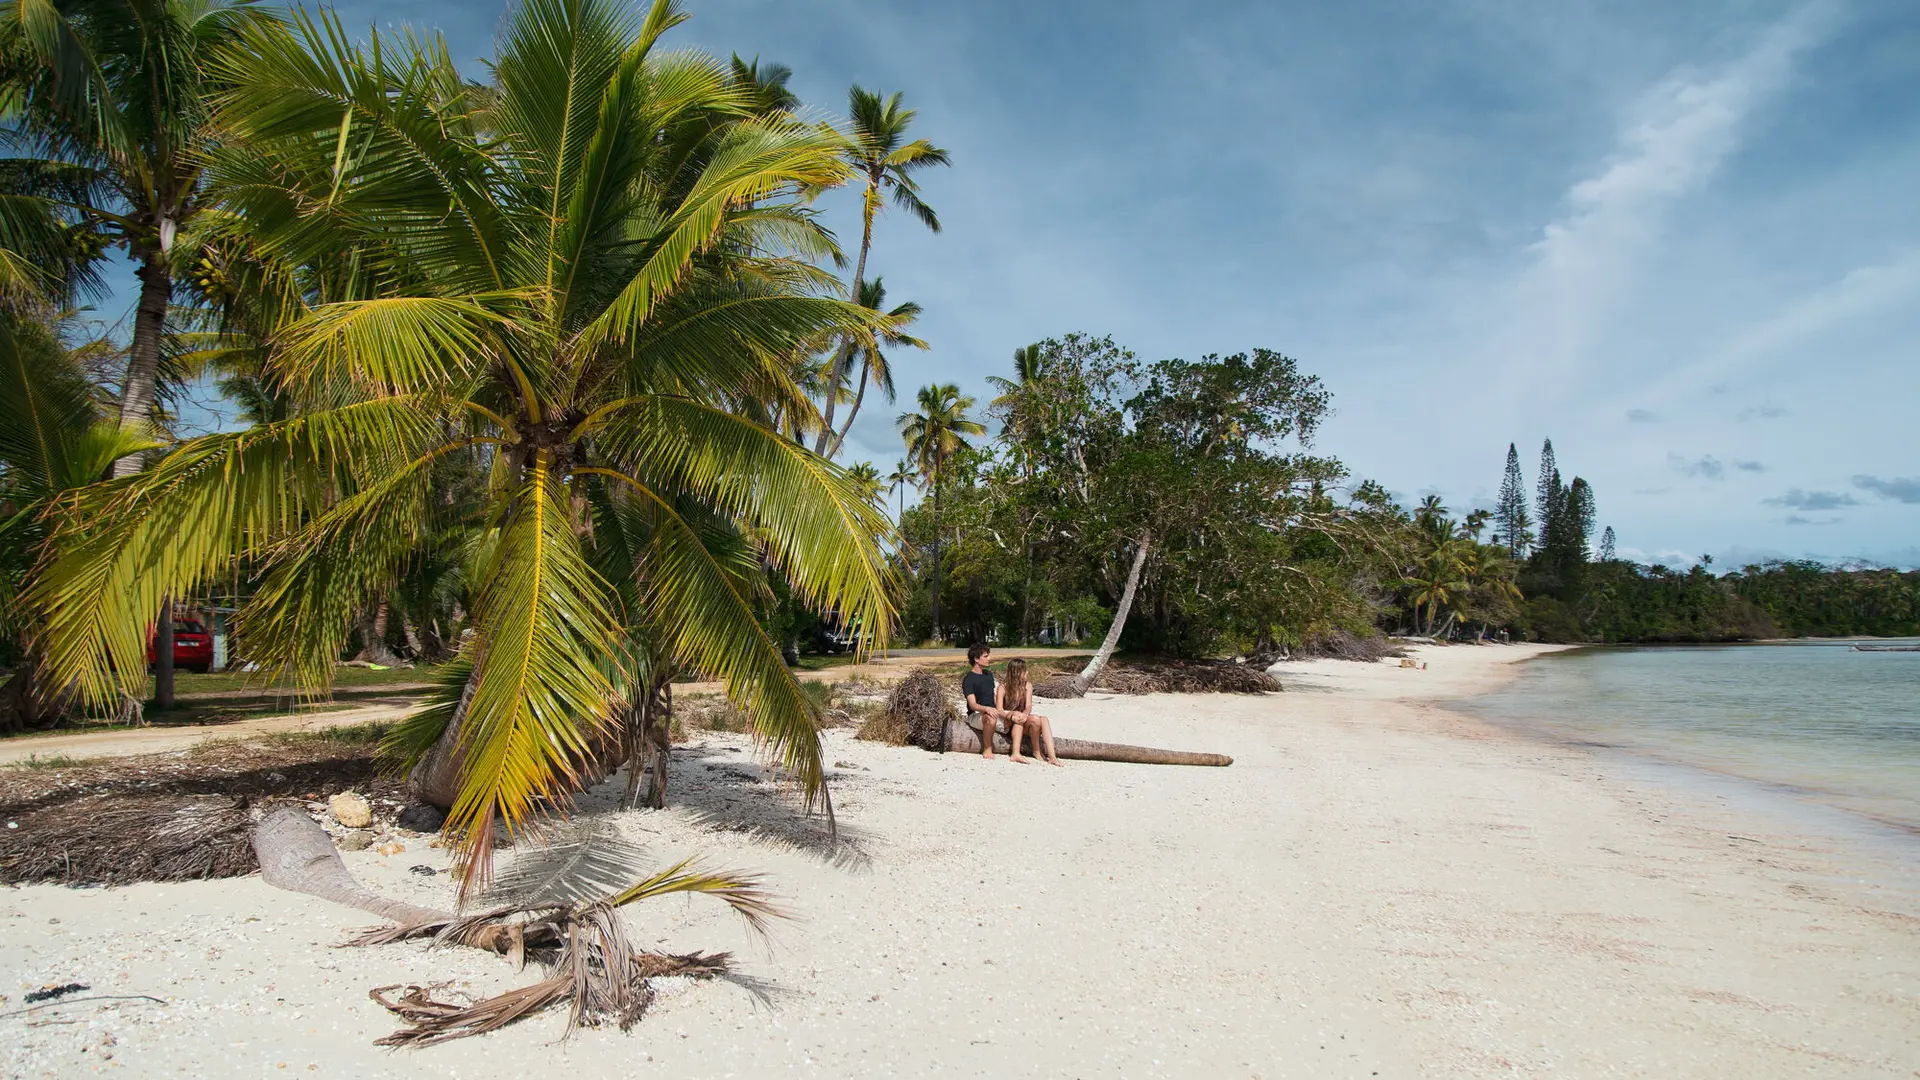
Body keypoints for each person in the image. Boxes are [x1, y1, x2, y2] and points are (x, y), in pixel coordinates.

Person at [997, 659, 1061, 766]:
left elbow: (1028, 705)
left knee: (1043, 719)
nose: (1027, 673)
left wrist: (1025, 714)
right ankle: (1032, 751)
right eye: (1024, 671)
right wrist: (1012, 715)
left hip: (1022, 719)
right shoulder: (1003, 687)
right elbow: (999, 710)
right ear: (1016, 672)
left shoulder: (1028, 686)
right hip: (1009, 721)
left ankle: (1052, 756)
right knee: (1032, 720)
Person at [961, 643, 1019, 760]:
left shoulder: (988, 674)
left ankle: (1017, 751)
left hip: (993, 711)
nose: (989, 659)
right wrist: (986, 709)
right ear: (976, 659)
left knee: (1017, 717)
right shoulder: (969, 679)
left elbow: (993, 697)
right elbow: (973, 705)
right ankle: (987, 748)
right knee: (990, 717)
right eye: (986, 656)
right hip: (976, 714)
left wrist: (1004, 712)